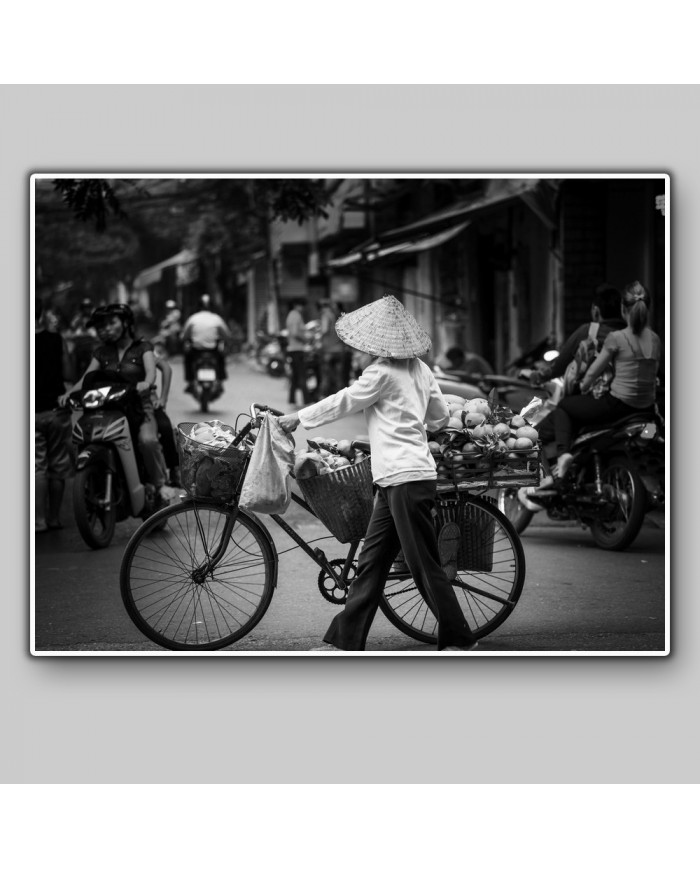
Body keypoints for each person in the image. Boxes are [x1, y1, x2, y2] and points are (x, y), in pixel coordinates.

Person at [278, 294, 479, 653]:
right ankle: (345, 642)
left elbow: (344, 400)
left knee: (423, 566)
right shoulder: (421, 369)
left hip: (404, 479)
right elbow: (437, 418)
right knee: (371, 564)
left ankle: (461, 642)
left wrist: (299, 417)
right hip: (397, 479)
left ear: (375, 345)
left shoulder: (381, 373)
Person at [58, 303, 171, 508]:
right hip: (109, 408)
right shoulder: (101, 353)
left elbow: (152, 373)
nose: (106, 329)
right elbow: (86, 378)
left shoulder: (143, 347)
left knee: (147, 441)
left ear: (126, 323)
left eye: (112, 323)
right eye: (103, 325)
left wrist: (147, 384)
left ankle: (159, 486)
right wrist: (69, 393)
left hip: (139, 407)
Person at [547, 280, 661, 480]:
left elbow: (593, 371)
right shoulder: (654, 338)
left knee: (564, 406)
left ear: (623, 310)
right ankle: (643, 446)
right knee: (654, 426)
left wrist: (583, 385)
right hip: (647, 408)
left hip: (617, 405)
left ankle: (564, 453)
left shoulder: (617, 338)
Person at [35, 298, 73, 532]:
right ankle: (54, 518)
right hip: (56, 411)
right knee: (58, 465)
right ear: (41, 313)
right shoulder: (57, 340)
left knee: (38, 466)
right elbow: (68, 372)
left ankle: (38, 521)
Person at [181, 294, 232, 393]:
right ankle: (220, 381)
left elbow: (184, 336)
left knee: (187, 359)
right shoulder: (217, 318)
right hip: (213, 351)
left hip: (196, 351)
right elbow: (227, 335)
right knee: (221, 359)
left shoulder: (193, 318)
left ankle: (190, 382)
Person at [153, 355, 181, 487]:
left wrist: (163, 398)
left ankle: (174, 467)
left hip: (145, 402)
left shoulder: (143, 349)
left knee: (164, 427)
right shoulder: (103, 352)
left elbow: (166, 367)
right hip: (114, 404)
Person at [285, 298, 310, 407]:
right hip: (297, 349)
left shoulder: (291, 315)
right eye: (301, 305)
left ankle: (292, 400)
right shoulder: (296, 315)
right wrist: (305, 340)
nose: (303, 308)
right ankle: (307, 401)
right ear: (296, 305)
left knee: (295, 376)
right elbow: (295, 333)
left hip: (292, 349)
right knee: (301, 376)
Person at [318, 298, 345, 397]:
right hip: (338, 350)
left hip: (329, 351)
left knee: (326, 376)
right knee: (338, 377)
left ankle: (323, 397)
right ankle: (340, 397)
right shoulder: (334, 316)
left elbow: (324, 330)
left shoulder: (325, 315)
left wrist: (318, 338)